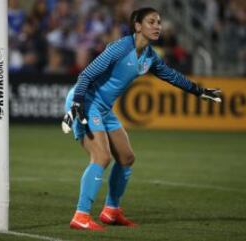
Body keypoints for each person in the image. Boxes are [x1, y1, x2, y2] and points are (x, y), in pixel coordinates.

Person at [62, 7, 222, 231]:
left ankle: (112, 211)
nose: (158, 26)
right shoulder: (120, 48)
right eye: (152, 22)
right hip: (85, 101)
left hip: (104, 108)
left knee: (126, 158)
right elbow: (86, 75)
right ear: (137, 26)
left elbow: (171, 76)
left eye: (159, 22)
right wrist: (78, 102)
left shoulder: (149, 56)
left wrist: (198, 91)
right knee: (101, 156)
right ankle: (81, 215)